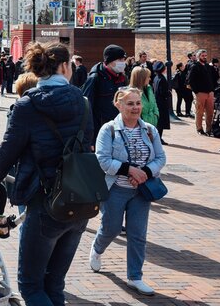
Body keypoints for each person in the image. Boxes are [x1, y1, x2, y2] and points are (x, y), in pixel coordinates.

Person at [0, 42, 90, 305]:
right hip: (81, 199)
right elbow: (88, 149)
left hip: (45, 200)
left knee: (31, 286)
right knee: (54, 283)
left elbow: (6, 155)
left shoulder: (27, 106)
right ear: (65, 66)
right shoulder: (82, 101)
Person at [90, 87, 166, 297]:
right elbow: (102, 159)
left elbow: (161, 158)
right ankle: (97, 250)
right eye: (130, 104)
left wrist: (145, 173)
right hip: (116, 189)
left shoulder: (150, 130)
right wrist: (129, 170)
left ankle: (135, 276)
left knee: (138, 234)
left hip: (142, 190)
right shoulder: (109, 129)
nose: (135, 108)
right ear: (119, 105)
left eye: (138, 103)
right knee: (111, 228)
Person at [82, 44, 129, 144]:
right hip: (100, 131)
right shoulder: (95, 78)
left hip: (118, 129)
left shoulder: (122, 78)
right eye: (120, 60)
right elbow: (86, 107)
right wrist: (90, 138)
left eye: (124, 59)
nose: (123, 63)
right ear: (110, 62)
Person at [187, 49, 216, 136]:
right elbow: (190, 80)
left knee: (210, 112)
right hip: (200, 92)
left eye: (205, 55)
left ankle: (209, 129)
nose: (204, 57)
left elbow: (214, 78)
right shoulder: (194, 66)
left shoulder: (208, 66)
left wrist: (212, 90)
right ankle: (199, 128)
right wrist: (196, 91)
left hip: (209, 92)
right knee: (199, 112)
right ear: (199, 56)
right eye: (203, 56)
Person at [152, 62, 171, 143]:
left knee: (159, 121)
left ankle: (158, 137)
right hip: (162, 102)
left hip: (157, 101)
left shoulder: (156, 78)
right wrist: (168, 93)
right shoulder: (162, 79)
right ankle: (159, 138)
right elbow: (163, 92)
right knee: (161, 121)